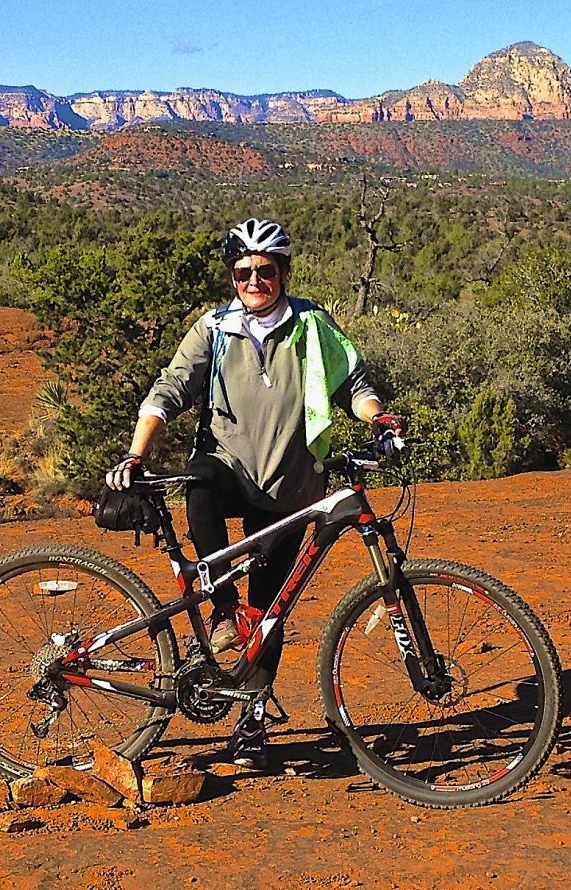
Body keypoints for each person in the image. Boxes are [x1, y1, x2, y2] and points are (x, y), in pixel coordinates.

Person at [105, 218, 404, 769]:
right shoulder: (214, 328)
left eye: (266, 270)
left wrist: (376, 417)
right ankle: (220, 610)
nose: (254, 280)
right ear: (232, 276)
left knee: (269, 609)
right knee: (201, 479)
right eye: (243, 271)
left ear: (284, 272)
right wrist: (136, 452)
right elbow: (170, 388)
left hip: (291, 488)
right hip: (227, 472)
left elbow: (352, 385)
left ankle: (253, 717)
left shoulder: (313, 325)